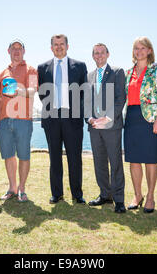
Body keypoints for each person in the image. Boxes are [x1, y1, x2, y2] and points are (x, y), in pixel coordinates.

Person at [38, 34, 88, 204]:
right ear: (51, 47)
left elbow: (84, 91)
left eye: (62, 44)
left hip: (72, 118)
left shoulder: (80, 66)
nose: (59, 47)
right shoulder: (42, 67)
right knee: (54, 158)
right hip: (51, 119)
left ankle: (77, 194)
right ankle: (57, 193)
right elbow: (41, 93)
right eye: (55, 44)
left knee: (75, 158)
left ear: (68, 46)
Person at [123, 37, 157, 213]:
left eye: (143, 48)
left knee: (150, 159)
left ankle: (150, 196)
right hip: (132, 118)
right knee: (133, 159)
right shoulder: (128, 72)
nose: (139, 51)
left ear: (149, 50)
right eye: (136, 48)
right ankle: (137, 195)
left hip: (150, 119)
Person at [86, 43, 126, 213]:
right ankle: (105, 195)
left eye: (102, 52)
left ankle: (119, 200)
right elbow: (86, 101)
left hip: (111, 126)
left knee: (115, 162)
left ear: (108, 54)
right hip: (94, 127)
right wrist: (89, 118)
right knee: (99, 162)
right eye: (96, 53)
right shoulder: (89, 76)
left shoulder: (117, 72)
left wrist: (107, 118)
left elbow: (120, 98)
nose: (99, 55)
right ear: (93, 56)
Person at [0, 40, 38, 203]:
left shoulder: (31, 70)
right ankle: (12, 188)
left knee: (24, 155)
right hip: (5, 121)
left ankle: (22, 189)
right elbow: (0, 97)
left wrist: (20, 91)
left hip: (23, 120)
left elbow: (33, 90)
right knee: (8, 155)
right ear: (8, 51)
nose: (16, 51)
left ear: (24, 51)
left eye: (19, 49)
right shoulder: (2, 73)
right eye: (13, 49)